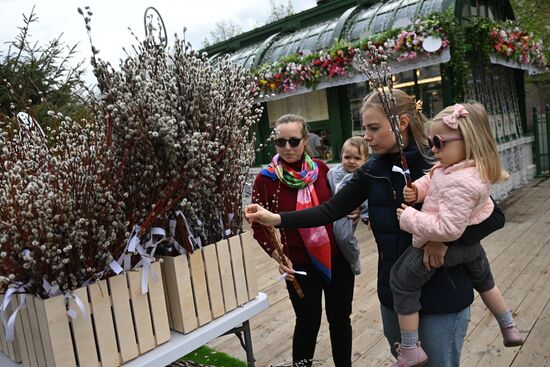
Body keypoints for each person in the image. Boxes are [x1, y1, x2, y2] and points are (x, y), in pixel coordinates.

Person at [245, 90, 505, 367]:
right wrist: (277, 219)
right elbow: (330, 209)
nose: (365, 137)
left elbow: (493, 215)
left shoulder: (439, 162)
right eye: (364, 128)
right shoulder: (371, 170)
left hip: (442, 292)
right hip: (394, 292)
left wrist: (445, 241)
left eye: (373, 128)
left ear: (401, 123)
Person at [392, 103, 523, 366]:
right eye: (431, 142)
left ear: (468, 141)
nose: (433, 149)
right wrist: (418, 190)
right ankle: (508, 326)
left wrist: (410, 218)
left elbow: (448, 230)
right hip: (471, 244)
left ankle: (410, 347)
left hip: (451, 245)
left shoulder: (461, 182)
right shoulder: (460, 167)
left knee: (401, 280)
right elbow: (435, 178)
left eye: (438, 142)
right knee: (485, 280)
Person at [250, 114, 355, 367]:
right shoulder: (266, 179)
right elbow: (258, 225)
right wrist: (278, 256)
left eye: (294, 141)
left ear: (305, 139)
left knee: (341, 319)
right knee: (308, 323)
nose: (287, 147)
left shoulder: (321, 170)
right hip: (298, 264)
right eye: (280, 142)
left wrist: (353, 212)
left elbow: (337, 205)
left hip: (336, 258)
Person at [327, 136, 369, 275]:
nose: (351, 161)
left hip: (346, 213)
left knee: (343, 236)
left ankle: (353, 257)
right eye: (347, 157)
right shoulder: (332, 173)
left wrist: (365, 216)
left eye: (357, 158)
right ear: (341, 157)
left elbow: (366, 199)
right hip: (330, 211)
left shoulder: (362, 177)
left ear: (365, 160)